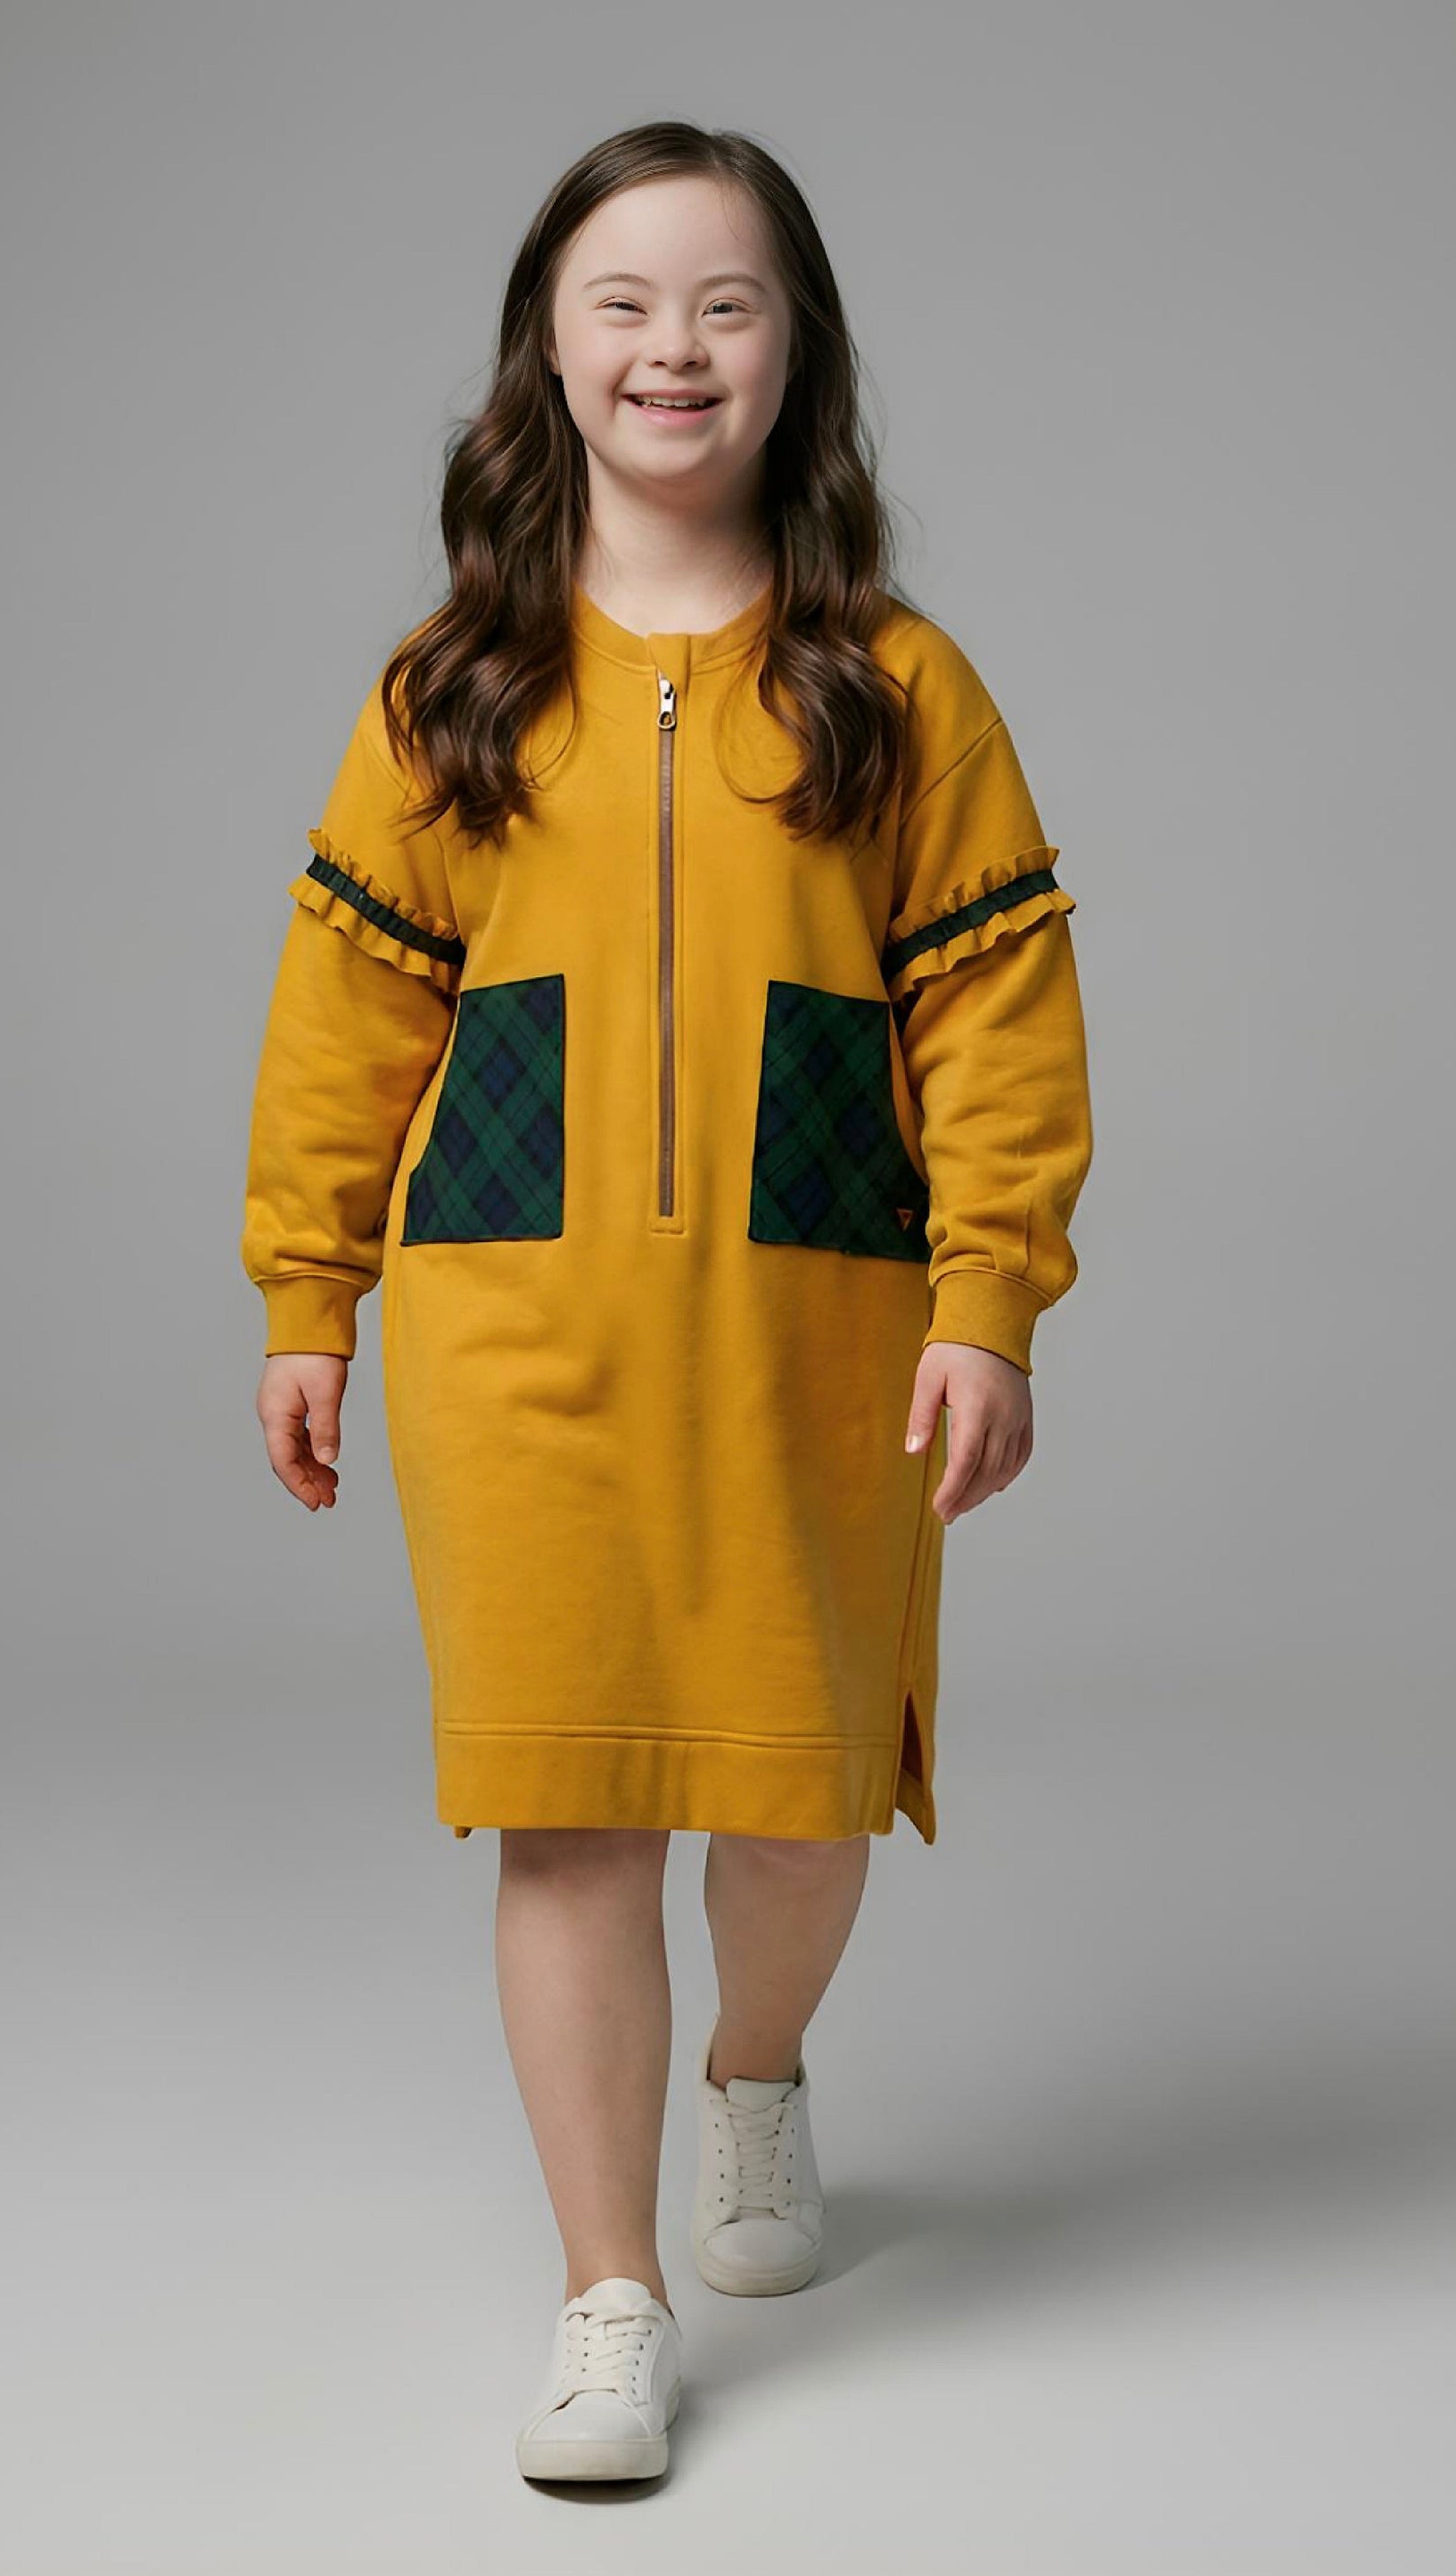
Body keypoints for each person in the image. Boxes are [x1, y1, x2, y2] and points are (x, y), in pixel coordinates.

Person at [240, 120, 1093, 2485]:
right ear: (548, 343)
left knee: (800, 1813)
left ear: (795, 351)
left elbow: (998, 1017)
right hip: (512, 1342)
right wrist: (309, 1292)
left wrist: (987, 1294)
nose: (672, 348)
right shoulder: (451, 689)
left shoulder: (896, 688)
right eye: (622, 301)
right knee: (569, 1812)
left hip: (815, 1339)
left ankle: (756, 2069)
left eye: (726, 303)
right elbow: (345, 1015)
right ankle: (606, 2294)